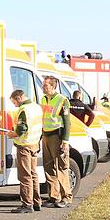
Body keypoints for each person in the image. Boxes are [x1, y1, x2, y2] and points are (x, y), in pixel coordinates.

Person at [6, 89, 42, 213]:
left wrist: (12, 134)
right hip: (34, 144)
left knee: (25, 175)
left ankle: (27, 204)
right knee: (33, 174)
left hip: (24, 145)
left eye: (15, 102)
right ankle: (36, 202)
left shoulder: (24, 110)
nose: (15, 105)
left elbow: (21, 128)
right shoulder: (36, 107)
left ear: (19, 98)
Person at [39, 75, 73, 208]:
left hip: (57, 137)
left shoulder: (62, 100)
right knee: (48, 167)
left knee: (61, 167)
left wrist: (65, 141)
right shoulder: (43, 99)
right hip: (46, 135)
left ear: (53, 87)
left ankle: (66, 197)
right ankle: (54, 196)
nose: (43, 87)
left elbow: (67, 122)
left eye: (46, 85)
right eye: (43, 85)